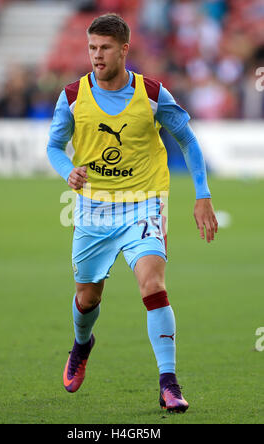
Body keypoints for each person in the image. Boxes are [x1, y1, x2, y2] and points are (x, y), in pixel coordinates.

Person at [47, 13, 218, 414]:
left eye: (105, 48)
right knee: (87, 298)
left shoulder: (153, 93)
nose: (96, 56)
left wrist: (202, 194)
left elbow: (188, 141)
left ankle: (169, 384)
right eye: (92, 48)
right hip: (93, 208)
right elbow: (54, 146)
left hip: (144, 201)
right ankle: (82, 345)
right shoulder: (72, 96)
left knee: (151, 284)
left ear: (124, 48)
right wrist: (65, 170)